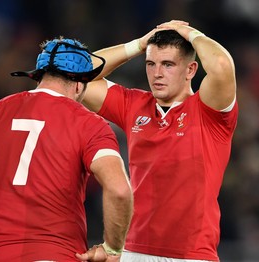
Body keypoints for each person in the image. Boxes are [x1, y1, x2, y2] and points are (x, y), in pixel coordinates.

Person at [0, 37, 134, 262]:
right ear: (79, 85)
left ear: (39, 75)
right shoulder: (89, 123)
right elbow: (119, 190)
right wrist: (112, 249)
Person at [82, 20, 238, 261]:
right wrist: (138, 45)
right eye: (151, 64)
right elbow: (76, 75)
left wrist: (189, 32)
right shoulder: (133, 105)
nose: (157, 74)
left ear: (191, 70)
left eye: (168, 64)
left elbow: (219, 64)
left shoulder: (209, 111)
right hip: (134, 250)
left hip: (191, 254)